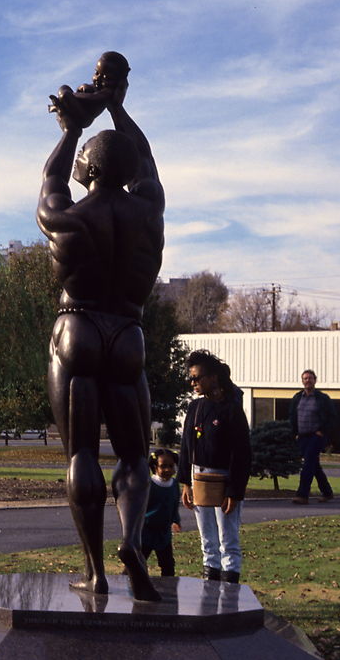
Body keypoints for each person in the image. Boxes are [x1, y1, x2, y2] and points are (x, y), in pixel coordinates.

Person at [37, 53, 166, 602]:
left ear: (87, 170)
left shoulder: (69, 217)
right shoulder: (150, 213)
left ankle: (94, 570)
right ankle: (132, 541)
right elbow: (150, 166)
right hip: (128, 334)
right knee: (136, 457)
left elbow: (48, 179)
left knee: (81, 455)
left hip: (79, 328)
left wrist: (71, 131)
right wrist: (117, 108)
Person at [178, 350, 252, 584]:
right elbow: (185, 447)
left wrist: (234, 491)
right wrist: (186, 483)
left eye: (197, 378)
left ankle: (230, 591)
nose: (193, 383)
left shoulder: (232, 409)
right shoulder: (195, 408)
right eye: (190, 378)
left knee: (227, 540)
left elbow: (241, 453)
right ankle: (210, 586)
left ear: (213, 378)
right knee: (207, 541)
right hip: (198, 478)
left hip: (224, 480)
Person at [48, 51, 131, 129]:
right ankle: (61, 105)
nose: (98, 78)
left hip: (84, 117)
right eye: (96, 73)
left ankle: (60, 104)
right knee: (64, 87)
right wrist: (83, 87)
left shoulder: (107, 93)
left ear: (117, 81)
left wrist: (71, 95)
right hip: (77, 108)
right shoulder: (97, 87)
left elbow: (92, 97)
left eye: (106, 78)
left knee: (65, 94)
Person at [289, 369, 336, 504]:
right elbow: (292, 416)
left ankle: (302, 495)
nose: (307, 381)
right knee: (314, 465)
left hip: (316, 436)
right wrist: (294, 433)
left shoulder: (322, 398)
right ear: (302, 381)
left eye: (310, 378)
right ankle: (327, 492)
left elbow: (332, 417)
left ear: (315, 380)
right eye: (305, 378)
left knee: (308, 464)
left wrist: (322, 431)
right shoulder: (297, 398)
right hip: (302, 436)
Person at [142, 449, 182, 577]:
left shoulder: (174, 485)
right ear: (155, 467)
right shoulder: (149, 484)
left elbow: (174, 505)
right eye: (163, 466)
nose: (167, 470)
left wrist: (176, 520)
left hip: (163, 534)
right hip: (146, 532)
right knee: (138, 562)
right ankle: (128, 583)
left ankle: (169, 590)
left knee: (168, 564)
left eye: (170, 466)